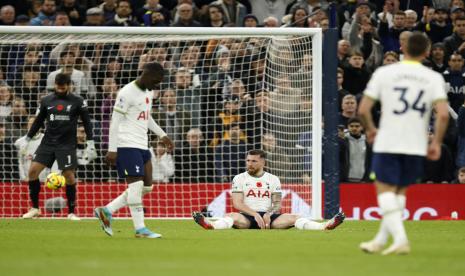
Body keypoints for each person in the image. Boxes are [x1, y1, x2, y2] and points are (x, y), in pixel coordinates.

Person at [358, 32, 449, 255]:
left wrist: (370, 130)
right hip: (416, 143)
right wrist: (436, 142)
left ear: (403, 48)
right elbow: (444, 115)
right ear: (427, 52)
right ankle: (380, 240)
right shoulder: (434, 78)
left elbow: (362, 109)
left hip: (389, 140)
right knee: (398, 193)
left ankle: (400, 239)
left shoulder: (385, 72)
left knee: (385, 191)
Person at [94, 62, 174, 239]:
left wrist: (162, 135)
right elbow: (115, 121)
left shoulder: (149, 92)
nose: (158, 85)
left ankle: (107, 210)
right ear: (148, 75)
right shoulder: (126, 93)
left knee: (147, 186)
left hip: (142, 144)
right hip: (126, 144)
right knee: (136, 186)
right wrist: (112, 149)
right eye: (157, 81)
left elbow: (146, 116)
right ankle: (140, 229)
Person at [192, 149, 345, 230]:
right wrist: (255, 215)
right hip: (247, 218)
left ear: (262, 162)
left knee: (295, 217)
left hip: (270, 219)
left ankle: (324, 226)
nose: (249, 164)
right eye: (248, 161)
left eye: (253, 161)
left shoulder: (273, 179)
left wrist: (269, 214)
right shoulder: (239, 178)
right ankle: (210, 225)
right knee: (231, 215)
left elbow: (277, 203)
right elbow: (237, 204)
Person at [20, 73, 96, 220]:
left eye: (63, 87)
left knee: (69, 176)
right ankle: (35, 208)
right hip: (48, 143)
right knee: (33, 172)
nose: (60, 89)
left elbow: (87, 122)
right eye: (58, 87)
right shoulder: (46, 100)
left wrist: (91, 143)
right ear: (54, 85)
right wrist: (28, 138)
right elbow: (38, 121)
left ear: (69, 85)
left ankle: (71, 212)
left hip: (66, 144)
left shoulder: (78, 101)